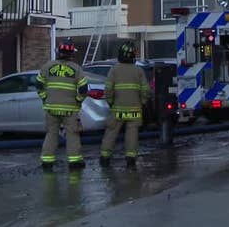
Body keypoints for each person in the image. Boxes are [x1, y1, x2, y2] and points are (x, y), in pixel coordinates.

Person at [36, 39, 88, 171]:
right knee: (72, 134)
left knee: (51, 134)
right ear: (71, 54)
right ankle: (74, 162)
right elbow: (83, 90)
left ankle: (47, 161)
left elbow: (38, 85)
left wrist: (45, 98)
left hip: (51, 108)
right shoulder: (76, 69)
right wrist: (77, 101)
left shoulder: (47, 66)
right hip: (70, 109)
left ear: (59, 52)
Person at [99, 42, 149, 169]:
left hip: (117, 110)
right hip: (135, 110)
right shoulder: (139, 71)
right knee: (132, 134)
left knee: (111, 133)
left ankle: (105, 157)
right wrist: (142, 102)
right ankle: (131, 159)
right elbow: (146, 91)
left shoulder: (114, 69)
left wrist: (110, 102)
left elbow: (108, 89)